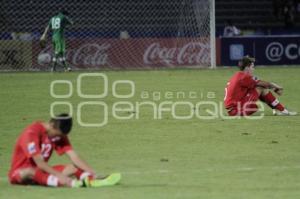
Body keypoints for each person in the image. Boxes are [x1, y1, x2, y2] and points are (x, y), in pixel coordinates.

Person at [8, 113, 121, 188]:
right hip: (19, 174)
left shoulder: (59, 134)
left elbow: (73, 156)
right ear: (52, 125)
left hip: (42, 173)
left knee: (73, 168)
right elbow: (40, 163)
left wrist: (92, 172)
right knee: (29, 171)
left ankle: (92, 181)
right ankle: (70, 183)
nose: (57, 138)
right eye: (57, 134)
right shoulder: (31, 133)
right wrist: (60, 176)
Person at [224, 56, 297, 116]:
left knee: (259, 87)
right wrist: (277, 87)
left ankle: (279, 109)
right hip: (237, 110)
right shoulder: (244, 77)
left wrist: (273, 88)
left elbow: (259, 83)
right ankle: (281, 110)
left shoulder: (238, 75)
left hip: (233, 109)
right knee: (260, 87)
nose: (253, 69)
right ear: (247, 68)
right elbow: (264, 84)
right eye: (252, 67)